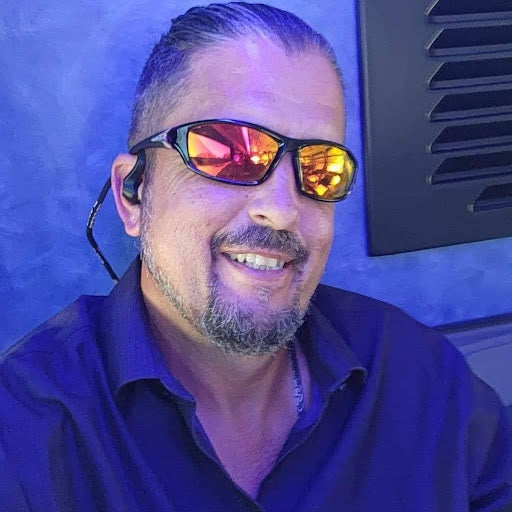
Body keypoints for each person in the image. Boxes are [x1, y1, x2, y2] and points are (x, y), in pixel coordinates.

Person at [1, 3, 511, 511]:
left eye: (320, 168)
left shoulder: (420, 381)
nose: (283, 210)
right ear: (133, 194)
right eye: (229, 152)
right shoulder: (27, 436)